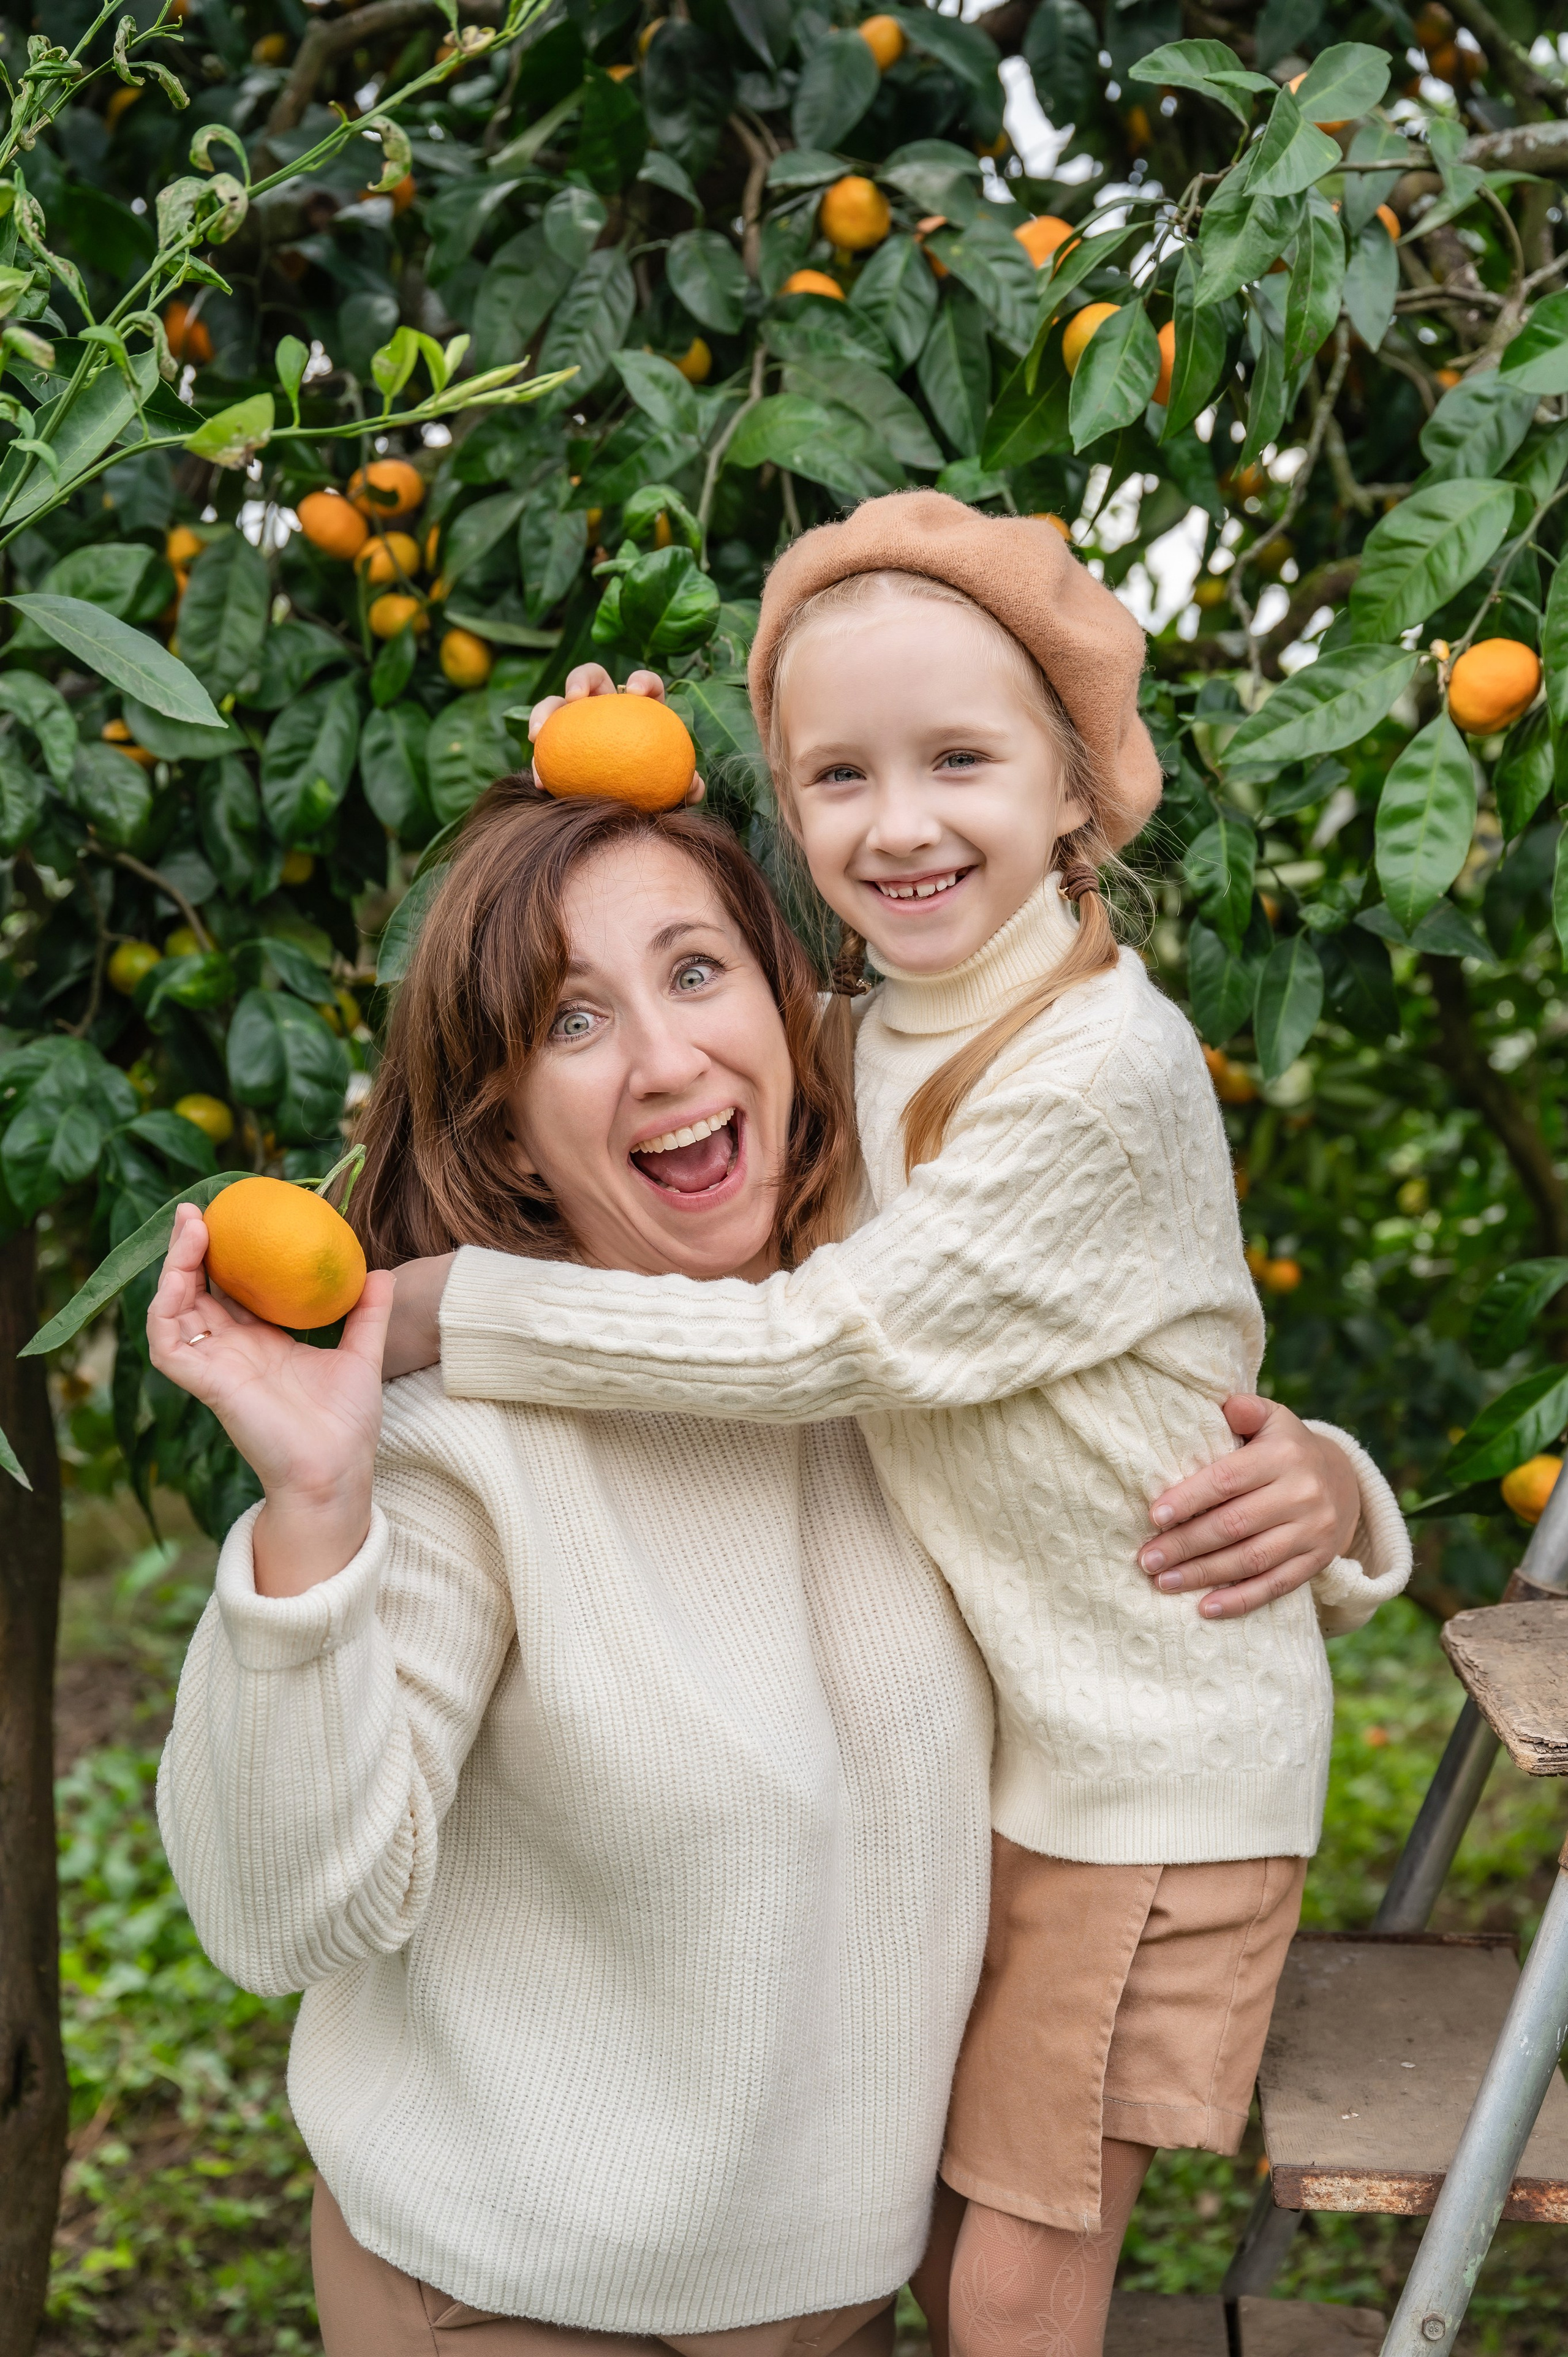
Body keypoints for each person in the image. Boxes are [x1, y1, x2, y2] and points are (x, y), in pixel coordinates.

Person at [378, 492, 1412, 2357]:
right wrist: (600, 796)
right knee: (961, 2243)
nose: (901, 821)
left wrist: (451, 1305)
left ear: (1080, 787)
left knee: (1017, 2275)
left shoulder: (1093, 1068)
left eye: (960, 759)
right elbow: (1113, 1366)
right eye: (838, 775)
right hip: (1042, 1756)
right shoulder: (887, 1017)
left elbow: (824, 1339)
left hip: (1141, 1782)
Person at [153, 788, 1000, 2357]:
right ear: (510, 1134)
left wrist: (1311, 1491)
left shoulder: (902, 1342)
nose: (666, 1061)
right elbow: (281, 1921)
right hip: (509, 2298)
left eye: (695, 971)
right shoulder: (463, 1441)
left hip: (826, 2305)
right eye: (571, 1020)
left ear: (792, 1011)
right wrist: (318, 1509)